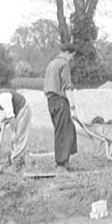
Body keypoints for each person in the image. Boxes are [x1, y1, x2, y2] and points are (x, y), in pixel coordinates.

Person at [43, 43, 78, 174]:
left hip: (51, 101)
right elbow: (67, 86)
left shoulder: (51, 64)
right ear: (68, 53)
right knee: (63, 132)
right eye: (72, 56)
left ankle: (65, 161)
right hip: (60, 100)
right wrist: (73, 108)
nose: (71, 59)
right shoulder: (64, 64)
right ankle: (61, 165)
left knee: (68, 129)